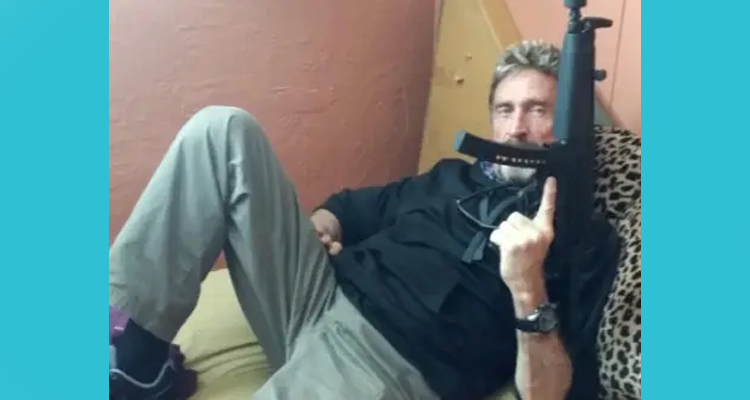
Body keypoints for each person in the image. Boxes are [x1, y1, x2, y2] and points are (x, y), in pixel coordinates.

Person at [109, 40, 619, 400]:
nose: (516, 127)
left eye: (537, 109)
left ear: (570, 125)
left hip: (385, 357)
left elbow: (551, 392)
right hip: (317, 293)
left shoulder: (583, 239)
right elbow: (350, 207)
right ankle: (132, 353)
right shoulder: (450, 177)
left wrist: (527, 287)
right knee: (221, 130)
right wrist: (322, 227)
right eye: (505, 110)